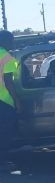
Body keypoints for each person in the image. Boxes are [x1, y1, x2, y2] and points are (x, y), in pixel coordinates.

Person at [0, 30, 20, 171]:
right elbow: (9, 82)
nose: (13, 42)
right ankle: (3, 161)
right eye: (11, 40)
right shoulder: (7, 57)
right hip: (4, 101)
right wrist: (17, 101)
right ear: (5, 41)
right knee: (5, 133)